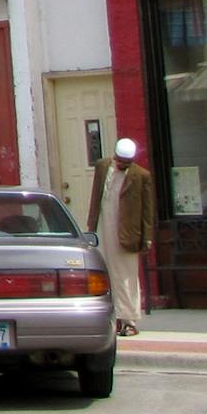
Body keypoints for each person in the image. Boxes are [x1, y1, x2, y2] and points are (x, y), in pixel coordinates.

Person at [86, 137, 155, 336]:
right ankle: (113, 318)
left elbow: (147, 210)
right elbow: (95, 197)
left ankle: (129, 320)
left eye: (127, 162)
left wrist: (147, 237)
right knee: (105, 272)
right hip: (103, 226)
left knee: (126, 276)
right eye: (120, 160)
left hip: (128, 232)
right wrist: (91, 224)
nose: (122, 164)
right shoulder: (102, 166)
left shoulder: (141, 176)